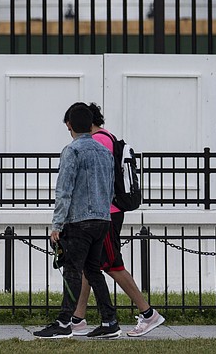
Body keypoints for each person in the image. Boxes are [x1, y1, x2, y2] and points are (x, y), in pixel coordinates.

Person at [68, 102, 165, 338]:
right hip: (107, 211)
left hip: (106, 212)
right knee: (90, 266)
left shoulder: (98, 141)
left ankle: (148, 313)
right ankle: (78, 319)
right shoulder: (107, 137)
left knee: (112, 265)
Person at [33, 102, 121, 339]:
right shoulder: (104, 152)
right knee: (93, 271)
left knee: (72, 270)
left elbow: (64, 190)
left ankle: (63, 323)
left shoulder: (71, 151)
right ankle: (109, 320)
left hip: (78, 220)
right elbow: (110, 188)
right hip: (102, 219)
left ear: (69, 125)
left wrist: (57, 225)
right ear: (91, 124)